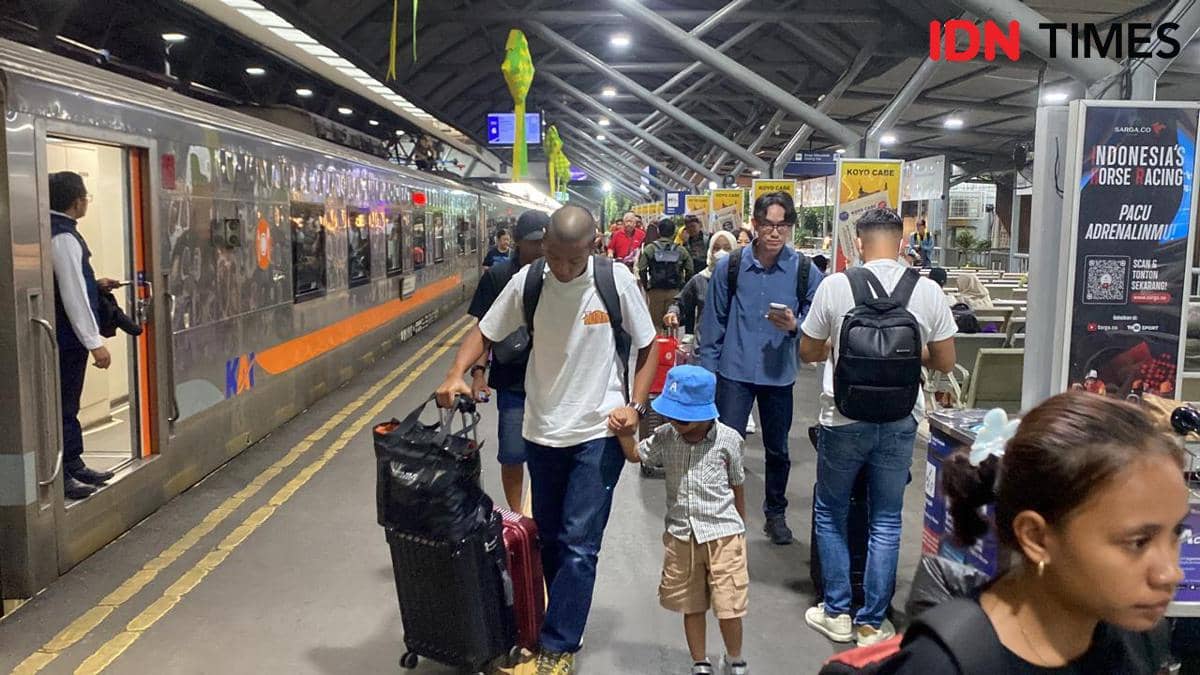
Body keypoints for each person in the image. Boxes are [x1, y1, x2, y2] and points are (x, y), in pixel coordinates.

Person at [436, 205, 658, 674]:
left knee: (579, 543)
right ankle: (562, 618)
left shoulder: (614, 281)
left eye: (573, 260)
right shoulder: (529, 282)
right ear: (544, 247)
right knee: (552, 539)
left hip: (598, 431)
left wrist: (635, 407)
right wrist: (457, 372)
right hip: (542, 430)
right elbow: (485, 331)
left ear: (592, 246)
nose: (563, 268)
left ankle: (559, 644)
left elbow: (647, 344)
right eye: (554, 257)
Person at [881, 393, 1185, 673]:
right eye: (1138, 542)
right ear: (1036, 537)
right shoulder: (942, 664)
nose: (1171, 573)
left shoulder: (1140, 638)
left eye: (1176, 534)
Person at [799, 207, 957, 646]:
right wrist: (905, 352)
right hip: (900, 418)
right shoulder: (926, 290)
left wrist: (841, 347)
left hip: (842, 417)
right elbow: (945, 361)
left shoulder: (836, 285)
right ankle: (871, 623)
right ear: (902, 243)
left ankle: (836, 612)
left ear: (859, 243)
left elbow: (808, 351)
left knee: (831, 511)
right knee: (886, 518)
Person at [699, 191, 825, 546]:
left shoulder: (803, 270)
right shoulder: (731, 266)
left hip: (778, 374)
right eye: (768, 224)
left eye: (782, 225)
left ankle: (775, 513)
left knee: (778, 450)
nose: (774, 232)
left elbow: (820, 315)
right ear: (754, 224)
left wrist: (796, 325)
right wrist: (708, 375)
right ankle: (722, 511)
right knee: (725, 447)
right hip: (733, 372)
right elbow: (713, 323)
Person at [620, 365, 749, 675]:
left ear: (706, 412)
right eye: (672, 416)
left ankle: (734, 659)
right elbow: (637, 455)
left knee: (729, 605)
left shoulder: (728, 439)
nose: (675, 423)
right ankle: (700, 661)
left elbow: (737, 484)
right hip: (682, 535)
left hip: (724, 536)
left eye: (683, 418)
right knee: (691, 605)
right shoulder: (666, 436)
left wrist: (740, 529)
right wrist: (623, 433)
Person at [466, 212, 547, 510]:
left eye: (545, 241)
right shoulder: (498, 277)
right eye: (533, 242)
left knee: (549, 451)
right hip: (513, 379)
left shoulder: (558, 275)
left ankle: (544, 511)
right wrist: (478, 373)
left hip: (553, 381)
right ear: (517, 241)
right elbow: (483, 331)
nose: (540, 248)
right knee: (512, 452)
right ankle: (517, 515)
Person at [48, 171, 120, 500]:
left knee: (68, 404)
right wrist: (95, 343)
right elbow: (72, 294)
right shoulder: (63, 236)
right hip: (66, 339)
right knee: (64, 406)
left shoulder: (57, 230)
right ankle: (63, 473)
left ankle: (74, 463)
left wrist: (96, 284)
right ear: (78, 201)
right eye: (86, 197)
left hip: (63, 337)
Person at [664, 231, 736, 341]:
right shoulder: (700, 279)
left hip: (733, 342)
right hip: (705, 342)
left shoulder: (741, 279)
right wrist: (673, 313)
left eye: (727, 248)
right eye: (716, 248)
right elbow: (680, 303)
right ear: (710, 251)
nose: (721, 252)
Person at [639, 219, 694, 333]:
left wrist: (646, 286)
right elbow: (690, 270)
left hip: (655, 291)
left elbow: (642, 269)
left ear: (658, 231)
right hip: (675, 292)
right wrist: (683, 287)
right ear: (674, 232)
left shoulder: (650, 248)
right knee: (672, 322)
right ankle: (672, 342)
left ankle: (658, 343)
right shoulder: (681, 250)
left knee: (656, 325)